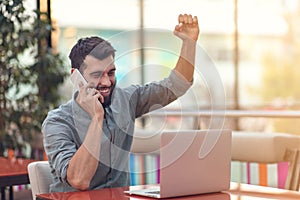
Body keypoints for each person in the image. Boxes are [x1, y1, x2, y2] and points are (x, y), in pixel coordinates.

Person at [42, 14, 199, 192]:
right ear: (76, 77)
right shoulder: (57, 122)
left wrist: (189, 43)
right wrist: (97, 118)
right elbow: (79, 180)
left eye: (111, 72)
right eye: (96, 75)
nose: (107, 82)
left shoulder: (126, 100)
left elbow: (177, 85)